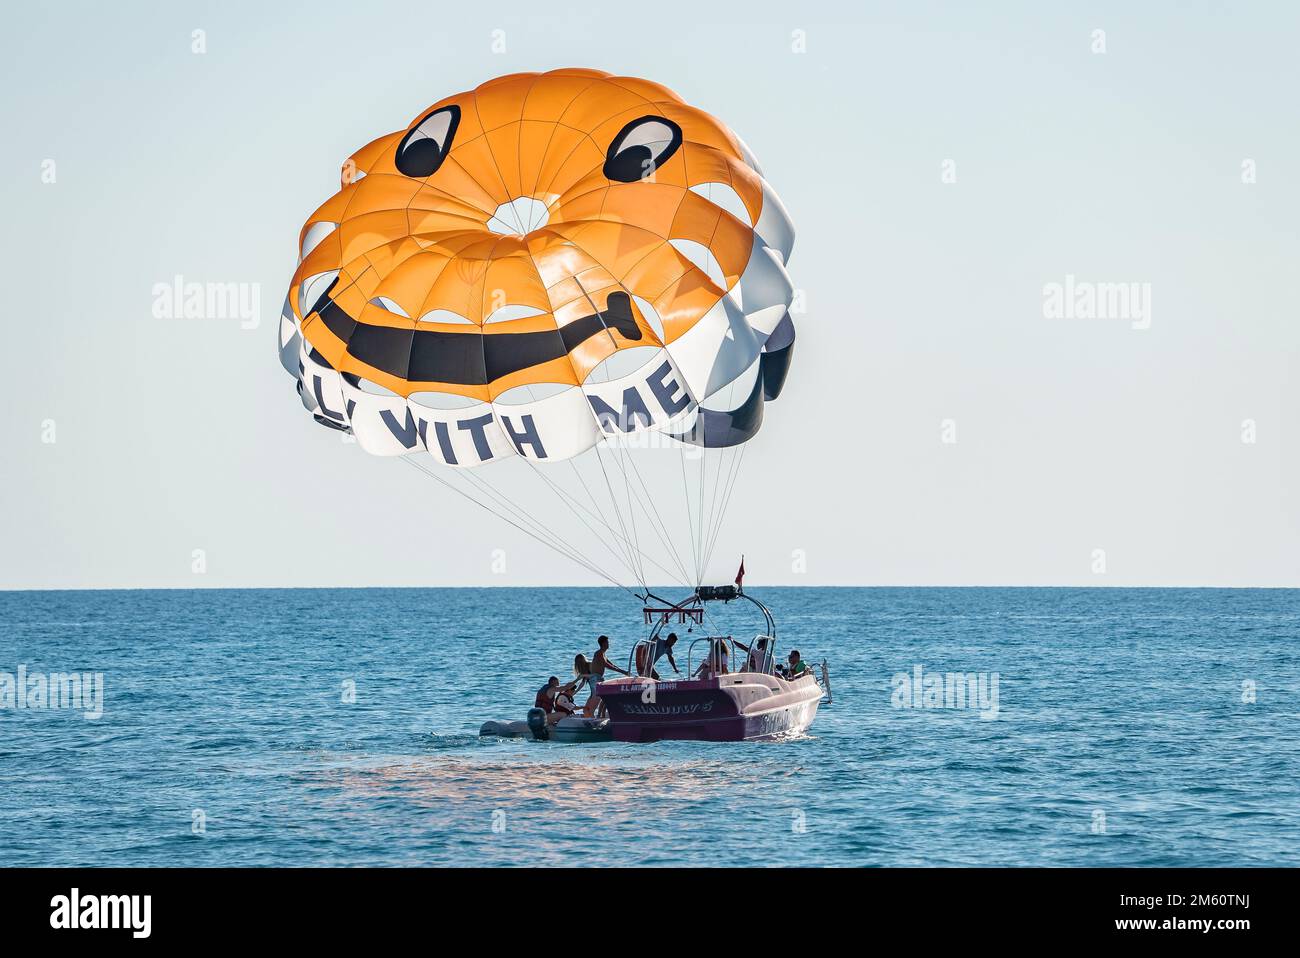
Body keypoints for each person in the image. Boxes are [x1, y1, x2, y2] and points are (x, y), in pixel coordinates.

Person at [585, 635, 628, 717]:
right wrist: (621, 671)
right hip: (595, 678)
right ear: (604, 643)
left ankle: (600, 715)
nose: (609, 644)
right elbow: (606, 665)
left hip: (599, 678)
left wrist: (623, 671)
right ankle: (591, 715)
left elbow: (612, 665)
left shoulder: (604, 654)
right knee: (597, 697)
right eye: (607, 642)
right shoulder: (598, 653)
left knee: (604, 697)